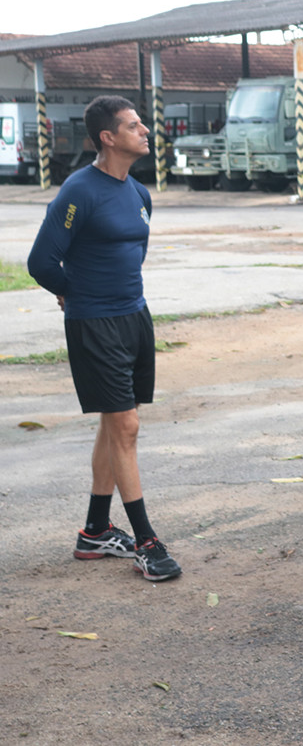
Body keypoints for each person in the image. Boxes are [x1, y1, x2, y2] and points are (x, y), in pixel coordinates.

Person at [27, 95, 181, 582]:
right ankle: (147, 542)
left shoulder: (139, 193)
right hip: (95, 324)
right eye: (134, 126)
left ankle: (95, 530)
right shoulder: (79, 190)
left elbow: (133, 255)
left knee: (115, 426)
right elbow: (41, 262)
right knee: (127, 428)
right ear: (108, 138)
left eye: (143, 124)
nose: (145, 131)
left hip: (134, 317)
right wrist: (74, 294)